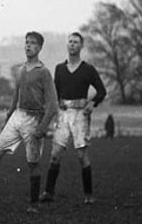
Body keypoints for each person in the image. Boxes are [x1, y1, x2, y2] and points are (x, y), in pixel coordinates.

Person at [0, 32, 57, 212]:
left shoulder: (44, 72)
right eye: (26, 42)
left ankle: (33, 204)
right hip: (18, 116)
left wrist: (42, 128)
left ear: (39, 48)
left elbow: (53, 104)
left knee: (33, 162)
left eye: (32, 43)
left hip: (34, 119)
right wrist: (8, 118)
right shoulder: (21, 70)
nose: (28, 46)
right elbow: (15, 96)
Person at [41, 31, 108, 205]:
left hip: (80, 115)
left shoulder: (88, 69)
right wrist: (56, 104)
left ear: (81, 46)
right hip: (63, 115)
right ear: (67, 45)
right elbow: (55, 92)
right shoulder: (60, 69)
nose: (72, 44)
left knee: (81, 155)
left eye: (76, 42)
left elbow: (101, 91)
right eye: (70, 42)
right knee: (55, 155)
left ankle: (89, 195)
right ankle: (48, 192)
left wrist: (92, 104)